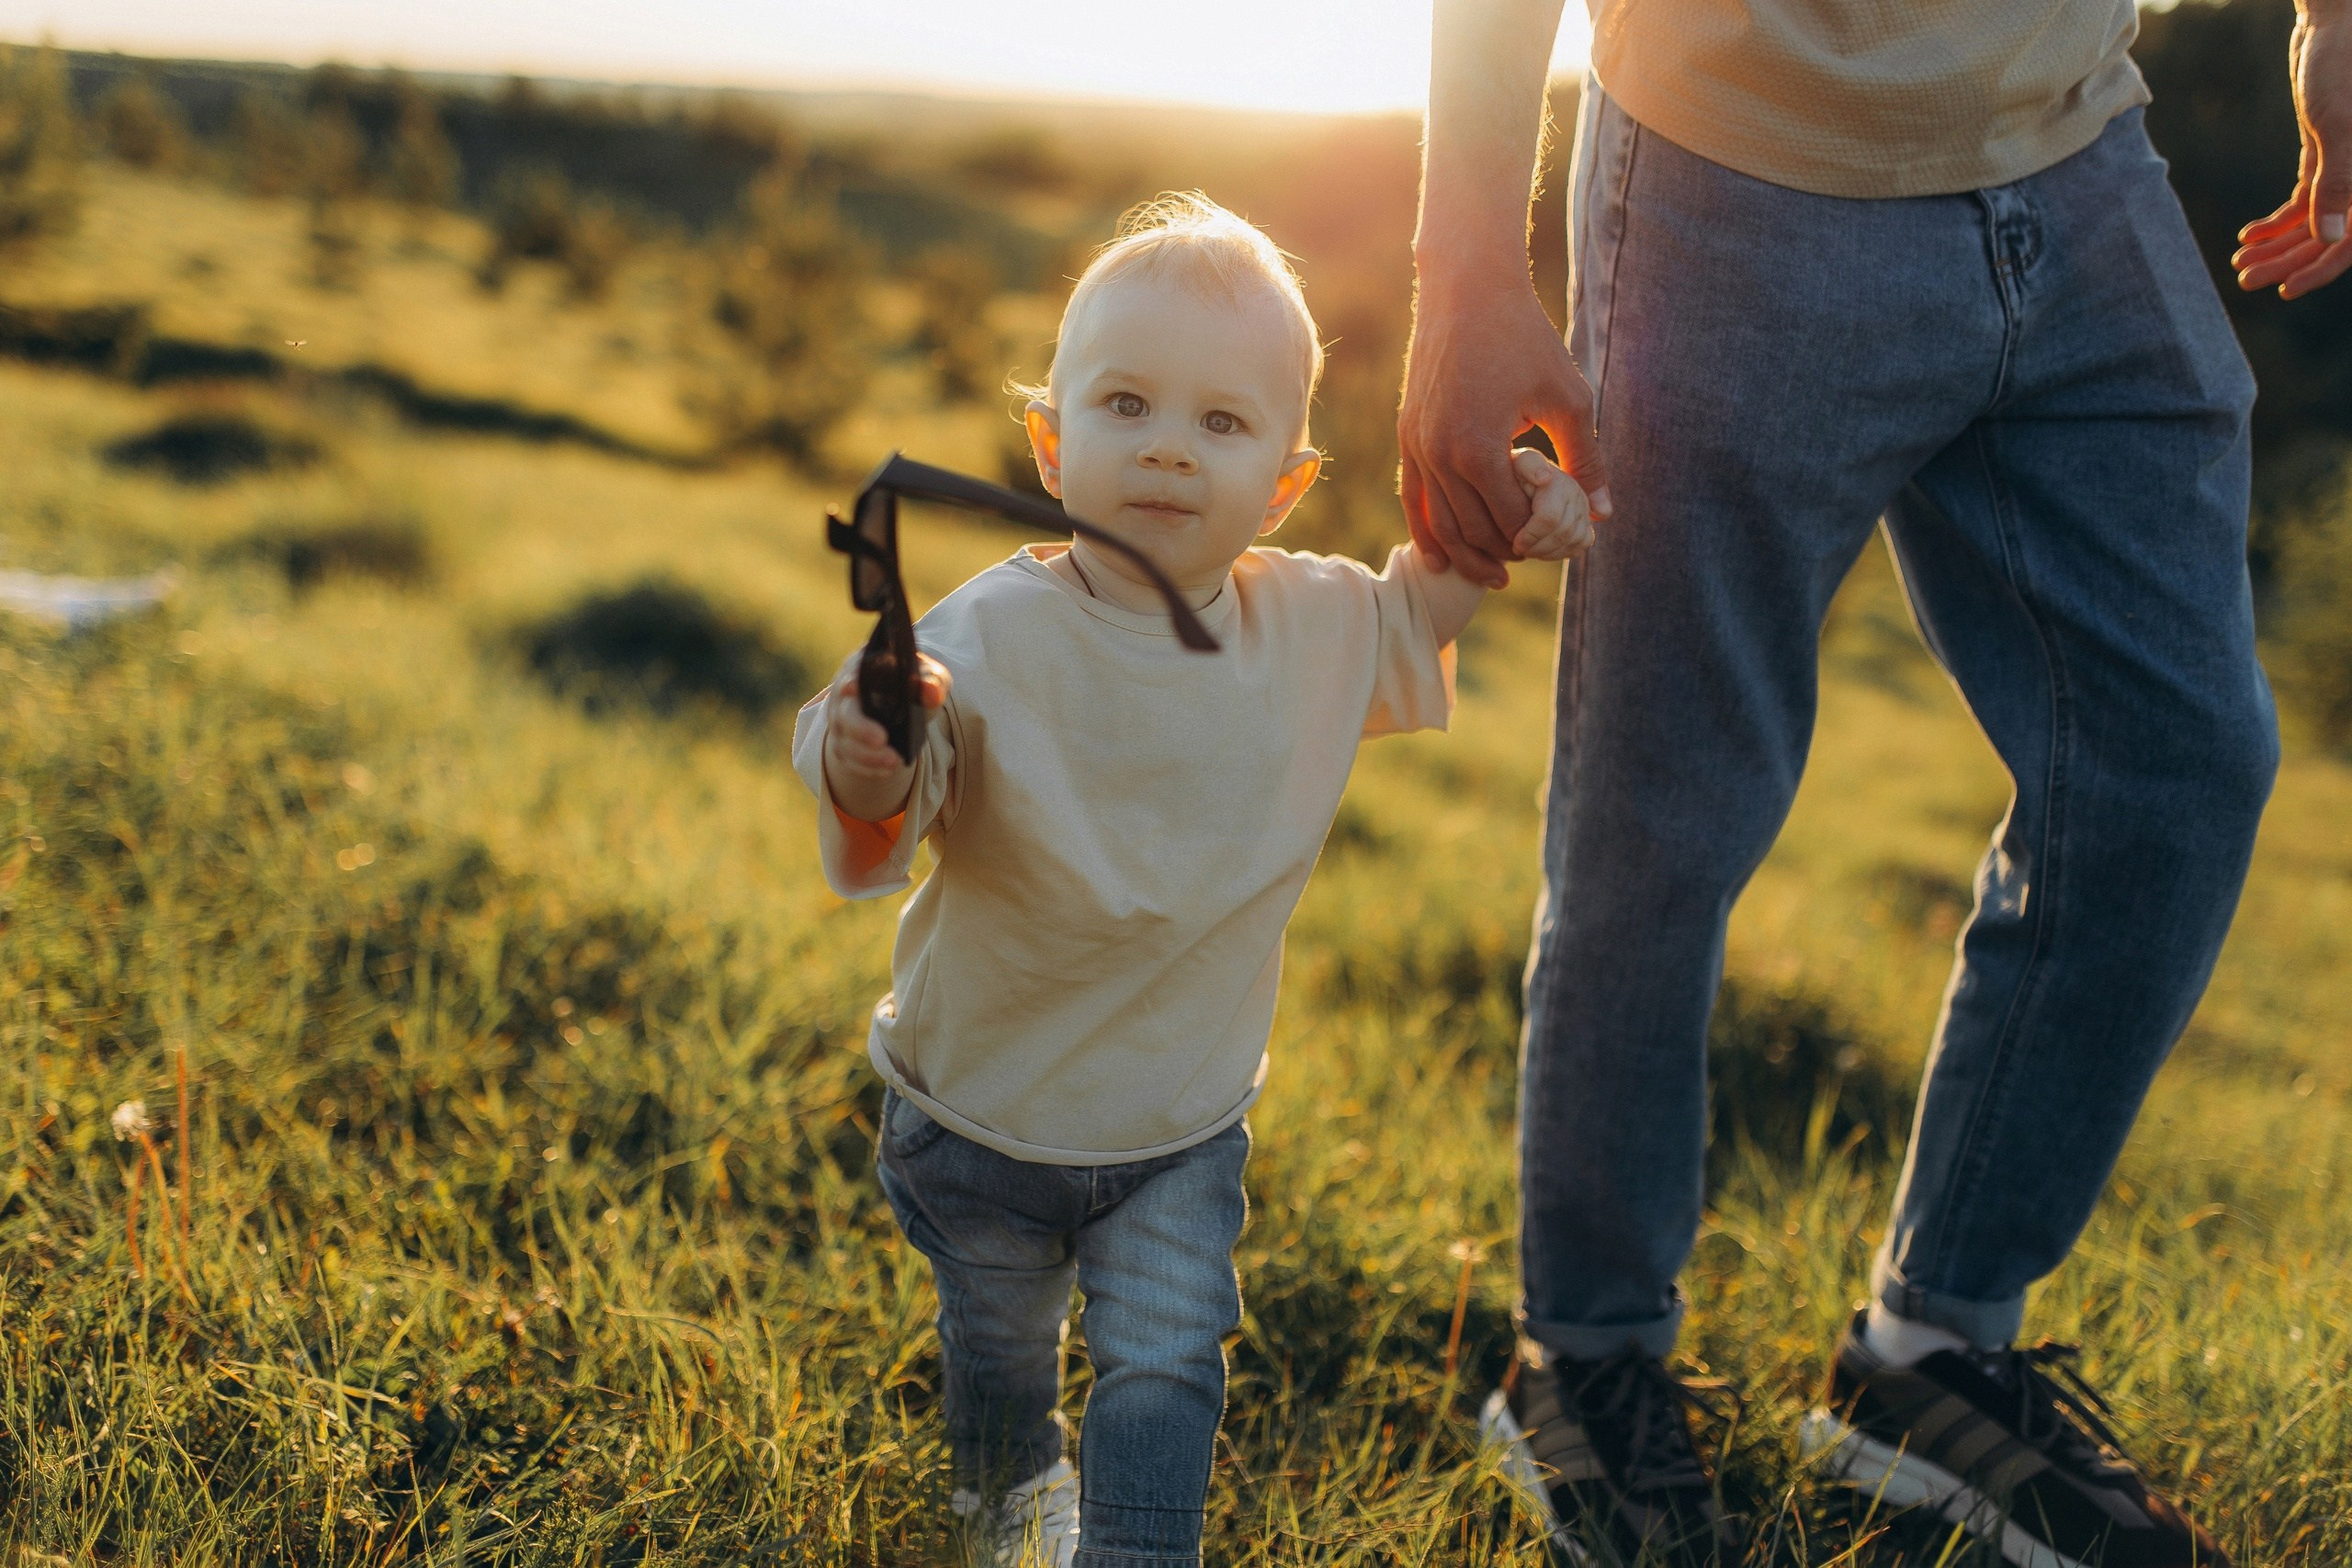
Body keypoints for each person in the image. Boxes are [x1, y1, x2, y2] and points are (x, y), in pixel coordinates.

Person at [1400, 1, 2339, 1563]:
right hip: (1734, 188)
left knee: (2177, 765)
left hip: (2078, 151)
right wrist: (1471, 268)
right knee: (1663, 818)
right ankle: (1590, 1355)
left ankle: (1930, 1357)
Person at [794, 195, 1591, 1568]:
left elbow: (1437, 587)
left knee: (1168, 1363)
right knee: (998, 1352)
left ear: (1283, 481)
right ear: (1052, 442)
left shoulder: (1316, 624)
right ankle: (1004, 1492)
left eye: (1223, 424)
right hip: (983, 1111)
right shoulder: (984, 638)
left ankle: (1136, 1551)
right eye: (1125, 404)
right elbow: (878, 799)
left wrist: (1522, 496)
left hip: (1175, 1130)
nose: (1168, 445)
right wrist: (872, 753)